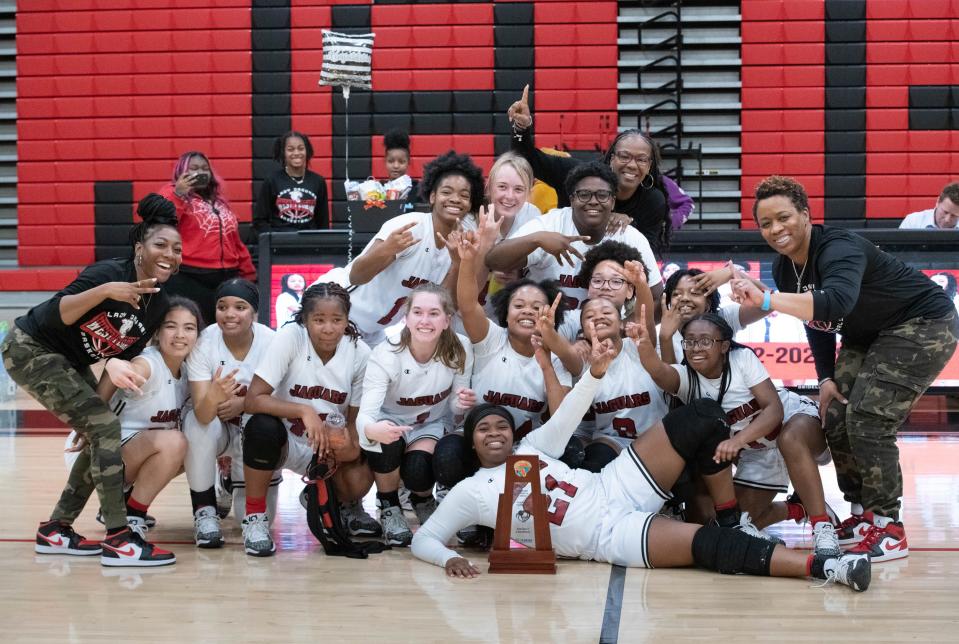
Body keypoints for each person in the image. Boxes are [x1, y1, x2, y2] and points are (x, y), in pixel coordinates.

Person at [410, 330, 870, 592]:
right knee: (710, 549)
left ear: (514, 435)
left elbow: (569, 413)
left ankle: (731, 517)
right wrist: (448, 557)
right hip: (610, 537)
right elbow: (425, 538)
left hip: (617, 485)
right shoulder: (472, 492)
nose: (495, 433)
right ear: (471, 444)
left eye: (501, 427)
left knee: (703, 416)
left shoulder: (533, 450)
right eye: (484, 429)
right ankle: (826, 568)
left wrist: (592, 375)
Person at [731, 175, 959, 562]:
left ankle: (889, 528)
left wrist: (768, 300)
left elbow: (833, 304)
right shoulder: (786, 267)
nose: (775, 230)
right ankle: (861, 515)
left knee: (869, 418)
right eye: (766, 223)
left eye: (783, 218)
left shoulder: (839, 248)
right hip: (866, 333)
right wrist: (825, 378)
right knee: (834, 414)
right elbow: (815, 323)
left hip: (922, 323)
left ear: (805, 214)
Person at [3, 194, 181, 566]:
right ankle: (118, 537)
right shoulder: (107, 274)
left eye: (177, 248)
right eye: (160, 244)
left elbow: (120, 359)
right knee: (105, 428)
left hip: (68, 359)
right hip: (30, 347)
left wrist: (94, 415)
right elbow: (55, 315)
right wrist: (105, 292)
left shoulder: (159, 304)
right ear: (139, 248)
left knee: (99, 428)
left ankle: (56, 529)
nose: (170, 254)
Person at [633, 311, 841, 555]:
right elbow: (659, 372)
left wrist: (737, 440)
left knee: (789, 439)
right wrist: (645, 348)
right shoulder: (687, 377)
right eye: (689, 341)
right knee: (727, 526)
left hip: (795, 423)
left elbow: (774, 409)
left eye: (705, 341)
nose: (696, 348)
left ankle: (822, 526)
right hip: (760, 451)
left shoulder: (741, 358)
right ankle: (797, 508)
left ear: (723, 346)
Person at [432, 231, 574, 495]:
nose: (528, 311)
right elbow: (467, 304)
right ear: (505, 315)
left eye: (537, 307)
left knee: (572, 451)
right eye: (519, 305)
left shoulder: (556, 356)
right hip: (479, 440)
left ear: (552, 317)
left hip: (526, 448)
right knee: (447, 455)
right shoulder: (491, 339)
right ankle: (457, 498)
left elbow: (560, 418)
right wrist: (466, 262)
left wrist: (546, 365)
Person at [242, 283, 375, 556]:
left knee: (360, 471)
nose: (328, 328)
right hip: (285, 440)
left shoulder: (361, 353)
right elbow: (253, 399)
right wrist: (304, 411)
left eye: (337, 320)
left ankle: (335, 499)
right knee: (260, 427)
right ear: (304, 319)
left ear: (347, 320)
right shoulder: (291, 337)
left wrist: (346, 443)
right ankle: (254, 517)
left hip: (327, 447)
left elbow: (355, 422)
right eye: (319, 320)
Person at [64, 297, 201, 556]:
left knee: (193, 445)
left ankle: (119, 507)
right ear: (158, 332)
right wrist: (117, 365)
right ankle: (133, 517)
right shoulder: (149, 362)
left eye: (189, 328)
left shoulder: (189, 372)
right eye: (171, 326)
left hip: (132, 453)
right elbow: (134, 366)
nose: (180, 335)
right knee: (175, 442)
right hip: (97, 455)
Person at [321, 151, 484, 346]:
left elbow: (442, 305)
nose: (455, 199)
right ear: (432, 196)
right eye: (447, 192)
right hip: (334, 308)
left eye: (464, 195)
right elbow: (356, 276)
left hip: (375, 332)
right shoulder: (412, 226)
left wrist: (458, 263)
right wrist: (387, 249)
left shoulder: (462, 241)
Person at [357, 284, 475, 545]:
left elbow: (455, 409)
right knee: (385, 443)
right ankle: (389, 506)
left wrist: (462, 402)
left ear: (447, 320)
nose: (424, 320)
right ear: (405, 318)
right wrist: (372, 430)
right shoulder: (386, 354)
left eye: (434, 313)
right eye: (417, 312)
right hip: (390, 420)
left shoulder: (460, 347)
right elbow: (365, 415)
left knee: (419, 468)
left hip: (428, 424)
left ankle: (422, 500)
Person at [508, 85, 672, 257]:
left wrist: (629, 227)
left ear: (649, 165)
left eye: (641, 159)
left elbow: (647, 258)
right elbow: (526, 159)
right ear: (611, 158)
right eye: (624, 156)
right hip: (563, 264)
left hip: (610, 277)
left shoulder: (652, 200)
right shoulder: (577, 174)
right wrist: (521, 127)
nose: (632, 165)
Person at [485, 161, 663, 311]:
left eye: (602, 195)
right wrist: (536, 239)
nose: (593, 201)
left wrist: (623, 328)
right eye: (584, 195)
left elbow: (656, 297)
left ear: (613, 201)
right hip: (549, 335)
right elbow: (494, 260)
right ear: (571, 199)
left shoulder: (629, 236)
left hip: (605, 336)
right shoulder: (549, 224)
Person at [181, 279, 276, 548]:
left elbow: (279, 399)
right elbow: (201, 412)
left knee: (258, 520)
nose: (230, 314)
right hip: (217, 425)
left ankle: (228, 481)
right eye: (222, 306)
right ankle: (204, 511)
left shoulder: (273, 342)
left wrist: (243, 403)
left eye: (240, 306)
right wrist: (216, 395)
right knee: (195, 425)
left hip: (255, 427)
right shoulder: (203, 342)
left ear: (254, 313)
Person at [159, 151, 256, 323]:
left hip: (226, 277)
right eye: (194, 168)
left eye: (205, 168)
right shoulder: (171, 193)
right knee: (193, 329)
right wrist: (179, 195)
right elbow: (161, 224)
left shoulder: (219, 203)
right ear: (182, 171)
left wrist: (248, 275)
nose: (200, 172)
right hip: (189, 277)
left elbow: (235, 242)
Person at [575, 298, 667, 472]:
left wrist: (639, 282)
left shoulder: (639, 345)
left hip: (655, 440)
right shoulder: (581, 362)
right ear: (583, 330)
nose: (599, 317)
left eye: (607, 312)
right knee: (594, 459)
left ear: (621, 323)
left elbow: (645, 315)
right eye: (590, 316)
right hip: (611, 442)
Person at [252, 131, 329, 242]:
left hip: (309, 245)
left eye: (301, 148)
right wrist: (275, 239)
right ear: (283, 153)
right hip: (280, 246)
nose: (296, 153)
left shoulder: (318, 181)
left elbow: (323, 223)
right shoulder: (272, 181)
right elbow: (259, 221)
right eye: (290, 149)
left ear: (307, 151)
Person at [383, 128, 418, 211]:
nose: (396, 166)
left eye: (401, 162)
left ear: (408, 162)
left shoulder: (417, 189)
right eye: (391, 161)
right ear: (385, 161)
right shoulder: (379, 189)